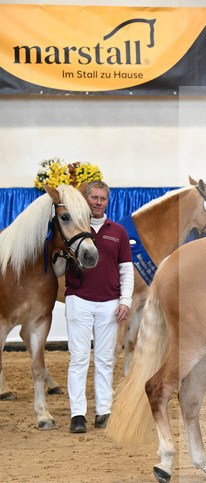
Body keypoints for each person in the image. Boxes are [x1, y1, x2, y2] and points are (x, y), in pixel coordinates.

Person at [65, 180, 133, 434]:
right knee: (79, 359)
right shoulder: (73, 228)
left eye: (102, 198)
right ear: (86, 199)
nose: (98, 202)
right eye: (94, 197)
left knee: (105, 360)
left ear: (107, 201)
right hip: (79, 300)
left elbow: (126, 270)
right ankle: (77, 415)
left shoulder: (118, 232)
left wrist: (125, 300)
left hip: (109, 304)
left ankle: (103, 411)